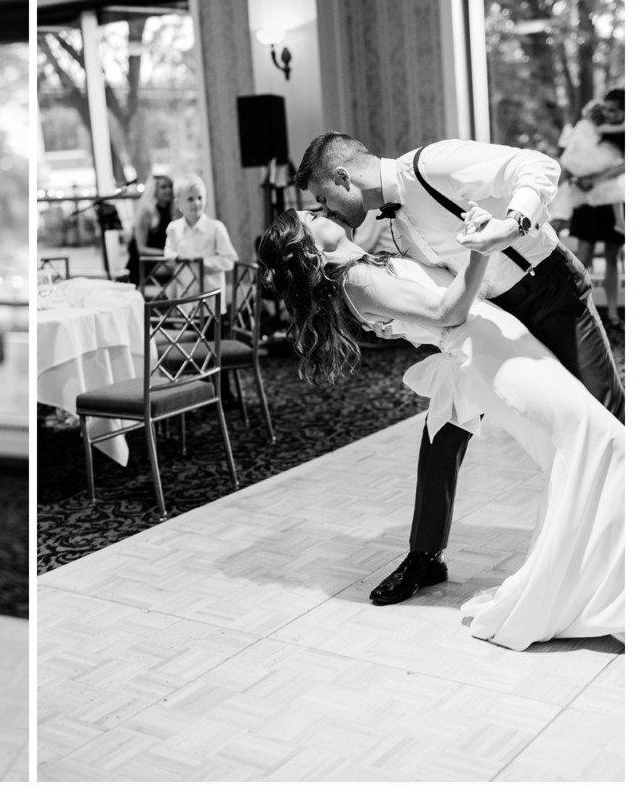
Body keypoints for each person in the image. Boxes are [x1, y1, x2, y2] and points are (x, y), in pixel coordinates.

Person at [259, 208, 623, 651]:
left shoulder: (365, 264)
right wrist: (481, 250)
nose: (320, 210)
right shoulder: (355, 281)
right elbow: (445, 312)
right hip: (485, 352)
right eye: (310, 215)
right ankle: (589, 590)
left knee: (589, 445)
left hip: (498, 339)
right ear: (311, 249)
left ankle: (591, 580)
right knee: (600, 442)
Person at [561, 87, 625, 327]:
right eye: (606, 109)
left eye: (614, 110)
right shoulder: (593, 126)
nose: (608, 113)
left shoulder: (623, 133)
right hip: (588, 200)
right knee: (583, 254)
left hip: (612, 199)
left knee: (612, 256)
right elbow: (576, 156)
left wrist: (594, 179)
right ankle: (573, 307)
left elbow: (623, 167)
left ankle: (613, 313)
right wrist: (577, 177)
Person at [163, 173, 238, 308]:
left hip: (210, 297)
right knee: (188, 328)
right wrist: (179, 258)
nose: (196, 203)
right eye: (190, 199)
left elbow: (229, 260)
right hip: (185, 297)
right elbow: (168, 252)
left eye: (200, 198)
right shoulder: (174, 228)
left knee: (210, 328)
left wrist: (204, 263)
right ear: (178, 203)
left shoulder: (216, 227)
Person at [127, 173, 175, 283]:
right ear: (154, 190)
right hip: (144, 263)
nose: (168, 190)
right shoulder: (145, 213)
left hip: (164, 259)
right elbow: (141, 249)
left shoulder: (172, 212)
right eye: (163, 187)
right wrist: (168, 253)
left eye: (170, 186)